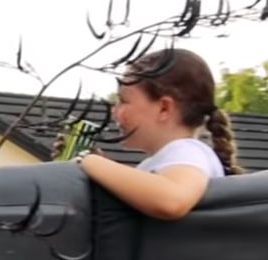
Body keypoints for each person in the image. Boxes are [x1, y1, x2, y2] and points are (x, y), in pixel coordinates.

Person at [74, 47, 240, 218]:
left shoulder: (188, 150)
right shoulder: (172, 158)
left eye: (123, 101)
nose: (115, 111)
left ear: (164, 108)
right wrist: (104, 167)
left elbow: (173, 200)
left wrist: (89, 162)